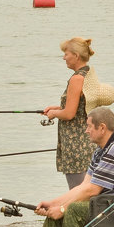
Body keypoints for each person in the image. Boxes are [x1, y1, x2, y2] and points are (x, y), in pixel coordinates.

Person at [41, 37, 101, 189]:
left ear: (76, 55)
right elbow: (80, 107)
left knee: (77, 192)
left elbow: (69, 114)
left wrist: (55, 114)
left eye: (66, 54)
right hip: (88, 141)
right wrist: (56, 108)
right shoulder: (88, 74)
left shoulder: (76, 79)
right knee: (89, 190)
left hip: (76, 144)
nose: (64, 57)